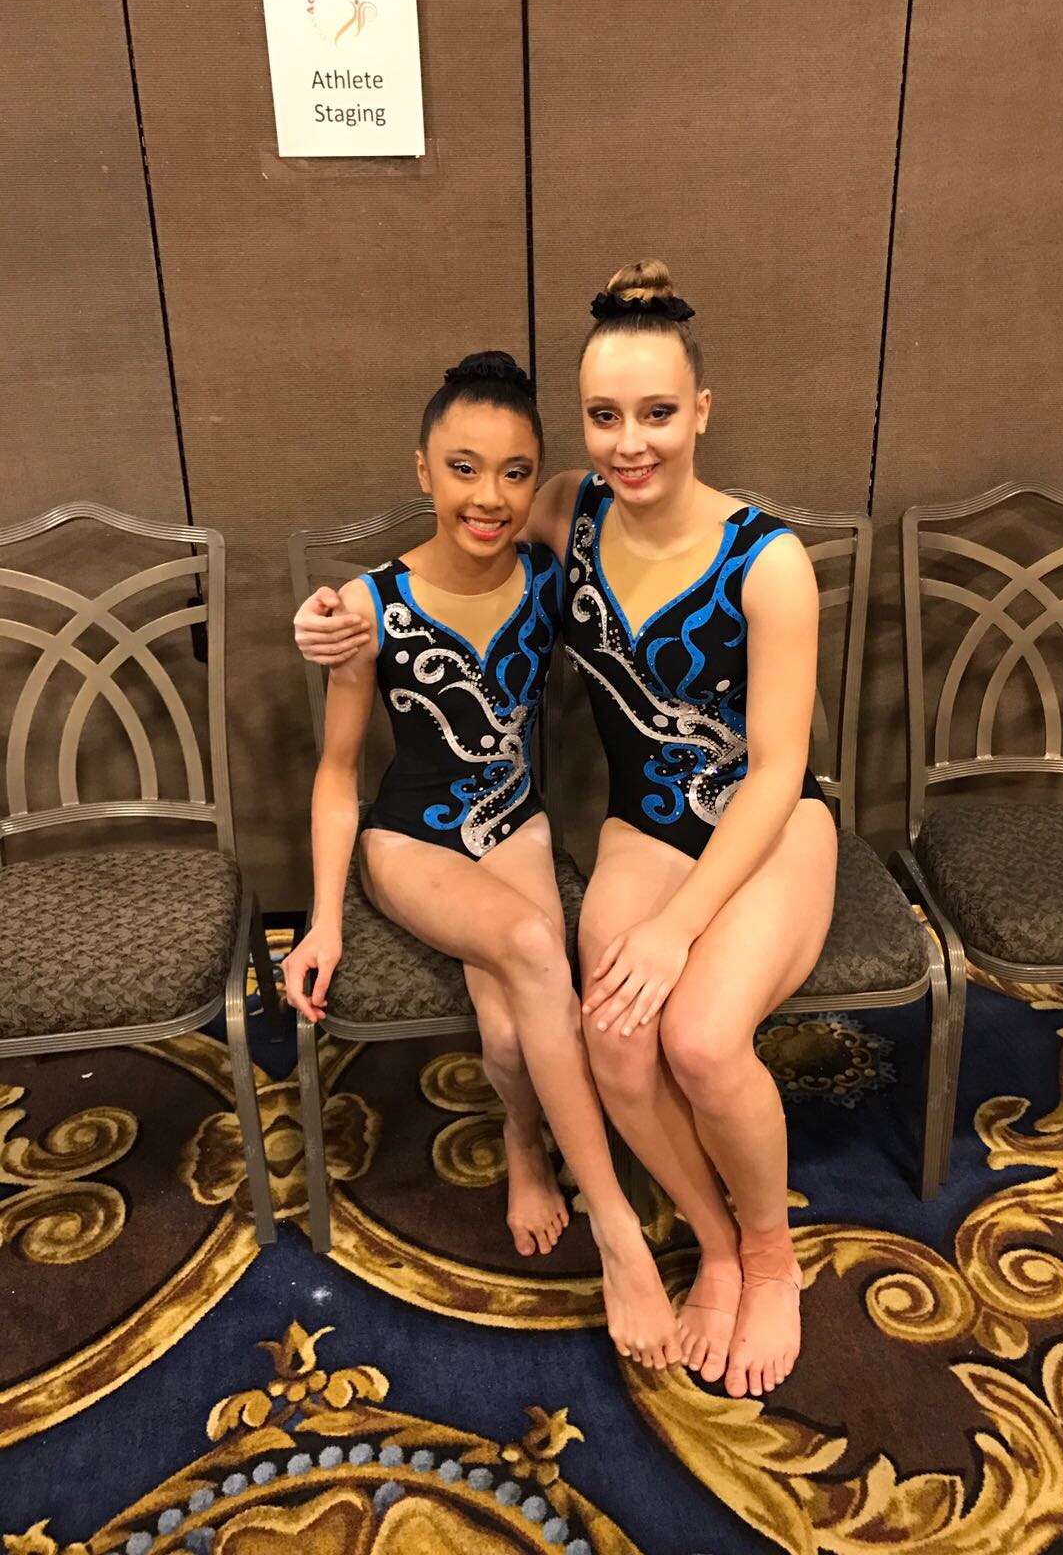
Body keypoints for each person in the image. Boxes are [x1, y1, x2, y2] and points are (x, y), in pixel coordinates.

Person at [293, 268, 836, 1400]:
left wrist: (679, 930)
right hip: (646, 826)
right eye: (604, 416)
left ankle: (770, 1256)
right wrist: (332, 616)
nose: (630, 444)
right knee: (616, 1037)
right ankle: (713, 1243)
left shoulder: (769, 560)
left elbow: (779, 769)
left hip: (771, 825)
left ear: (701, 410)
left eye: (656, 412)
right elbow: (460, 543)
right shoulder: (568, 512)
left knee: (698, 1037)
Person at [281, 350, 683, 1368]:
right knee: (539, 950)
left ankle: (520, 1139)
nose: (489, 498)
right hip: (411, 841)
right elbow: (336, 774)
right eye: (463, 469)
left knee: (511, 1033)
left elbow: (640, 505)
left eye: (514, 472)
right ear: (423, 469)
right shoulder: (371, 606)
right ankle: (616, 1228)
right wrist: (321, 921)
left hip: (517, 824)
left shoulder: (550, 577)